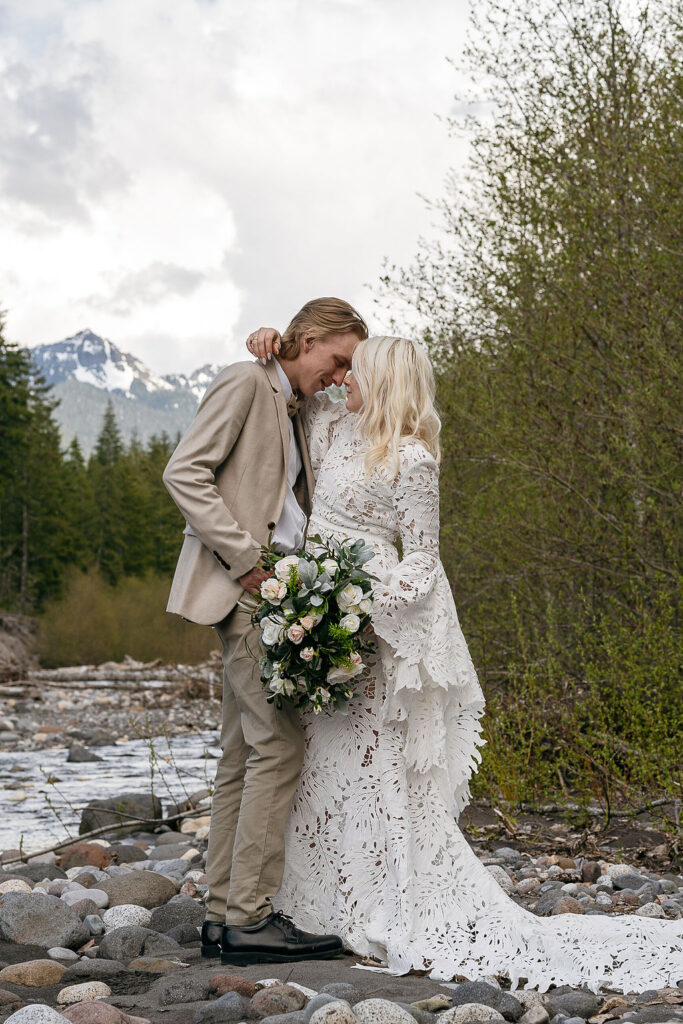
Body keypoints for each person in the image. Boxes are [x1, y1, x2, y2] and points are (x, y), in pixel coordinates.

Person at [246, 329, 683, 991]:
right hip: (312, 602)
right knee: (320, 759)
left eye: (356, 372)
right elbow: (295, 387)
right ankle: (310, 904)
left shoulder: (413, 459)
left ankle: (380, 901)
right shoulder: (334, 426)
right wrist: (264, 343)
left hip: (368, 617)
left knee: (374, 766)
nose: (344, 382)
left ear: (384, 380)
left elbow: (421, 557)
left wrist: (362, 607)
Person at [163, 297, 368, 964]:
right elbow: (183, 473)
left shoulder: (287, 394)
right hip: (250, 588)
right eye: (335, 361)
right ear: (304, 341)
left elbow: (341, 408)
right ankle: (249, 918)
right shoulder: (244, 381)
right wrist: (248, 561)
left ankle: (224, 917)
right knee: (277, 749)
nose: (338, 376)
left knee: (241, 757)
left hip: (275, 591)